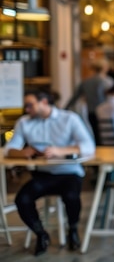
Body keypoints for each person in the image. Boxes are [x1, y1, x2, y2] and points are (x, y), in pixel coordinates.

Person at [4, 89, 95, 256]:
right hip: (43, 175)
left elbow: (89, 147)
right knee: (22, 199)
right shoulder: (24, 122)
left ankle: (73, 230)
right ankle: (41, 234)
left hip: (69, 173)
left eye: (30, 105)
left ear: (44, 102)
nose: (27, 109)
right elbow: (9, 149)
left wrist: (61, 150)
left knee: (71, 197)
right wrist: (23, 152)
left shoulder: (69, 119)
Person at [64, 59, 114, 144]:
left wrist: (64, 109)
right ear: (105, 68)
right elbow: (111, 98)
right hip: (106, 112)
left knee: (95, 134)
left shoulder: (86, 82)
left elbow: (74, 97)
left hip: (91, 111)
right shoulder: (108, 81)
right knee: (108, 136)